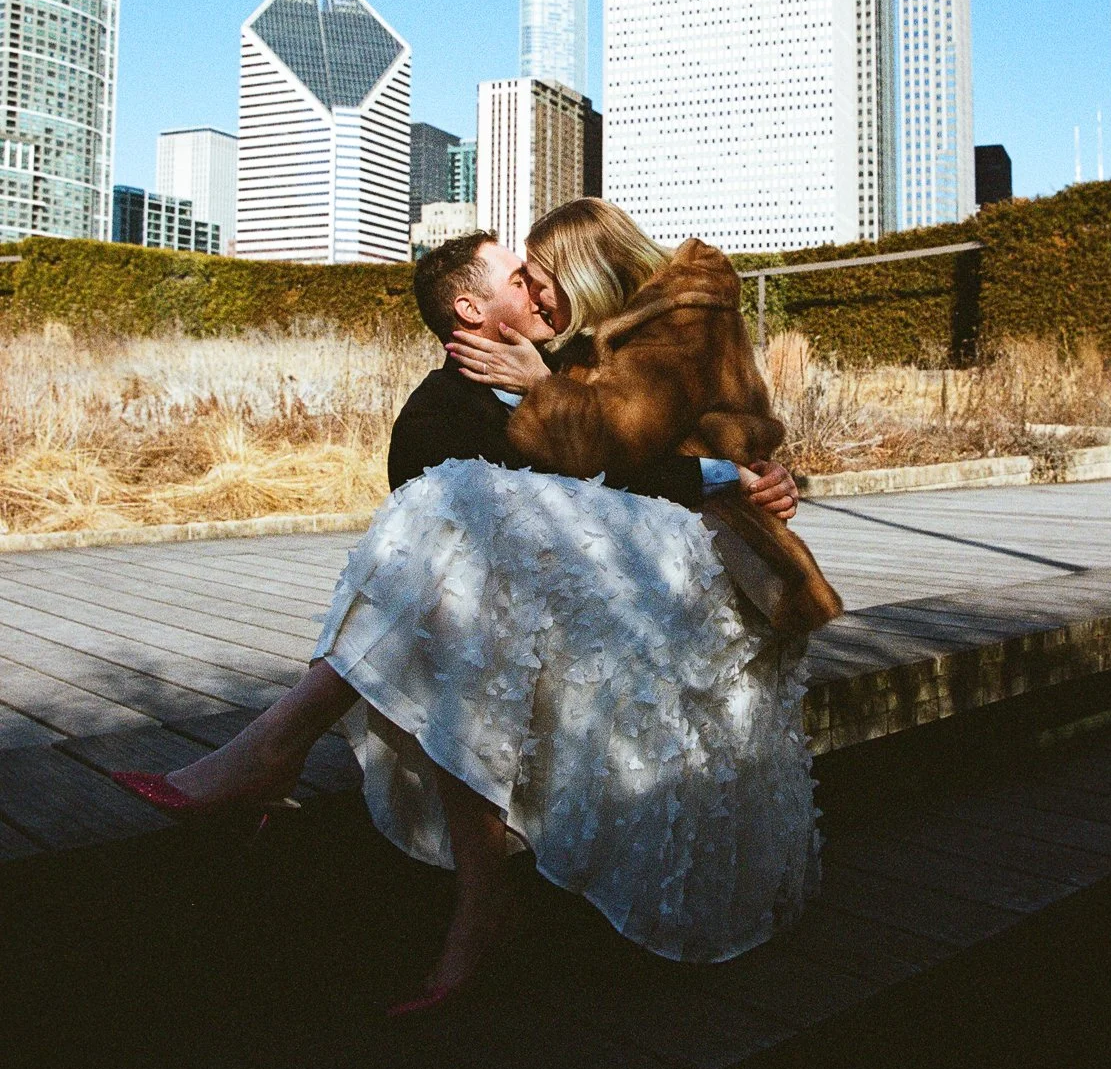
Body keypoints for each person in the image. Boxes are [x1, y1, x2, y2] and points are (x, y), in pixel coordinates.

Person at [115, 209, 840, 1002]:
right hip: (639, 542)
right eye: (516, 276)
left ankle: (279, 750)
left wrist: (727, 469)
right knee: (465, 582)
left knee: (466, 539)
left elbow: (626, 451)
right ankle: (471, 890)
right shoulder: (488, 379)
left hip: (703, 558)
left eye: (537, 273)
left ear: (582, 270)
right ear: (469, 310)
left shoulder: (674, 317)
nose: (530, 288)